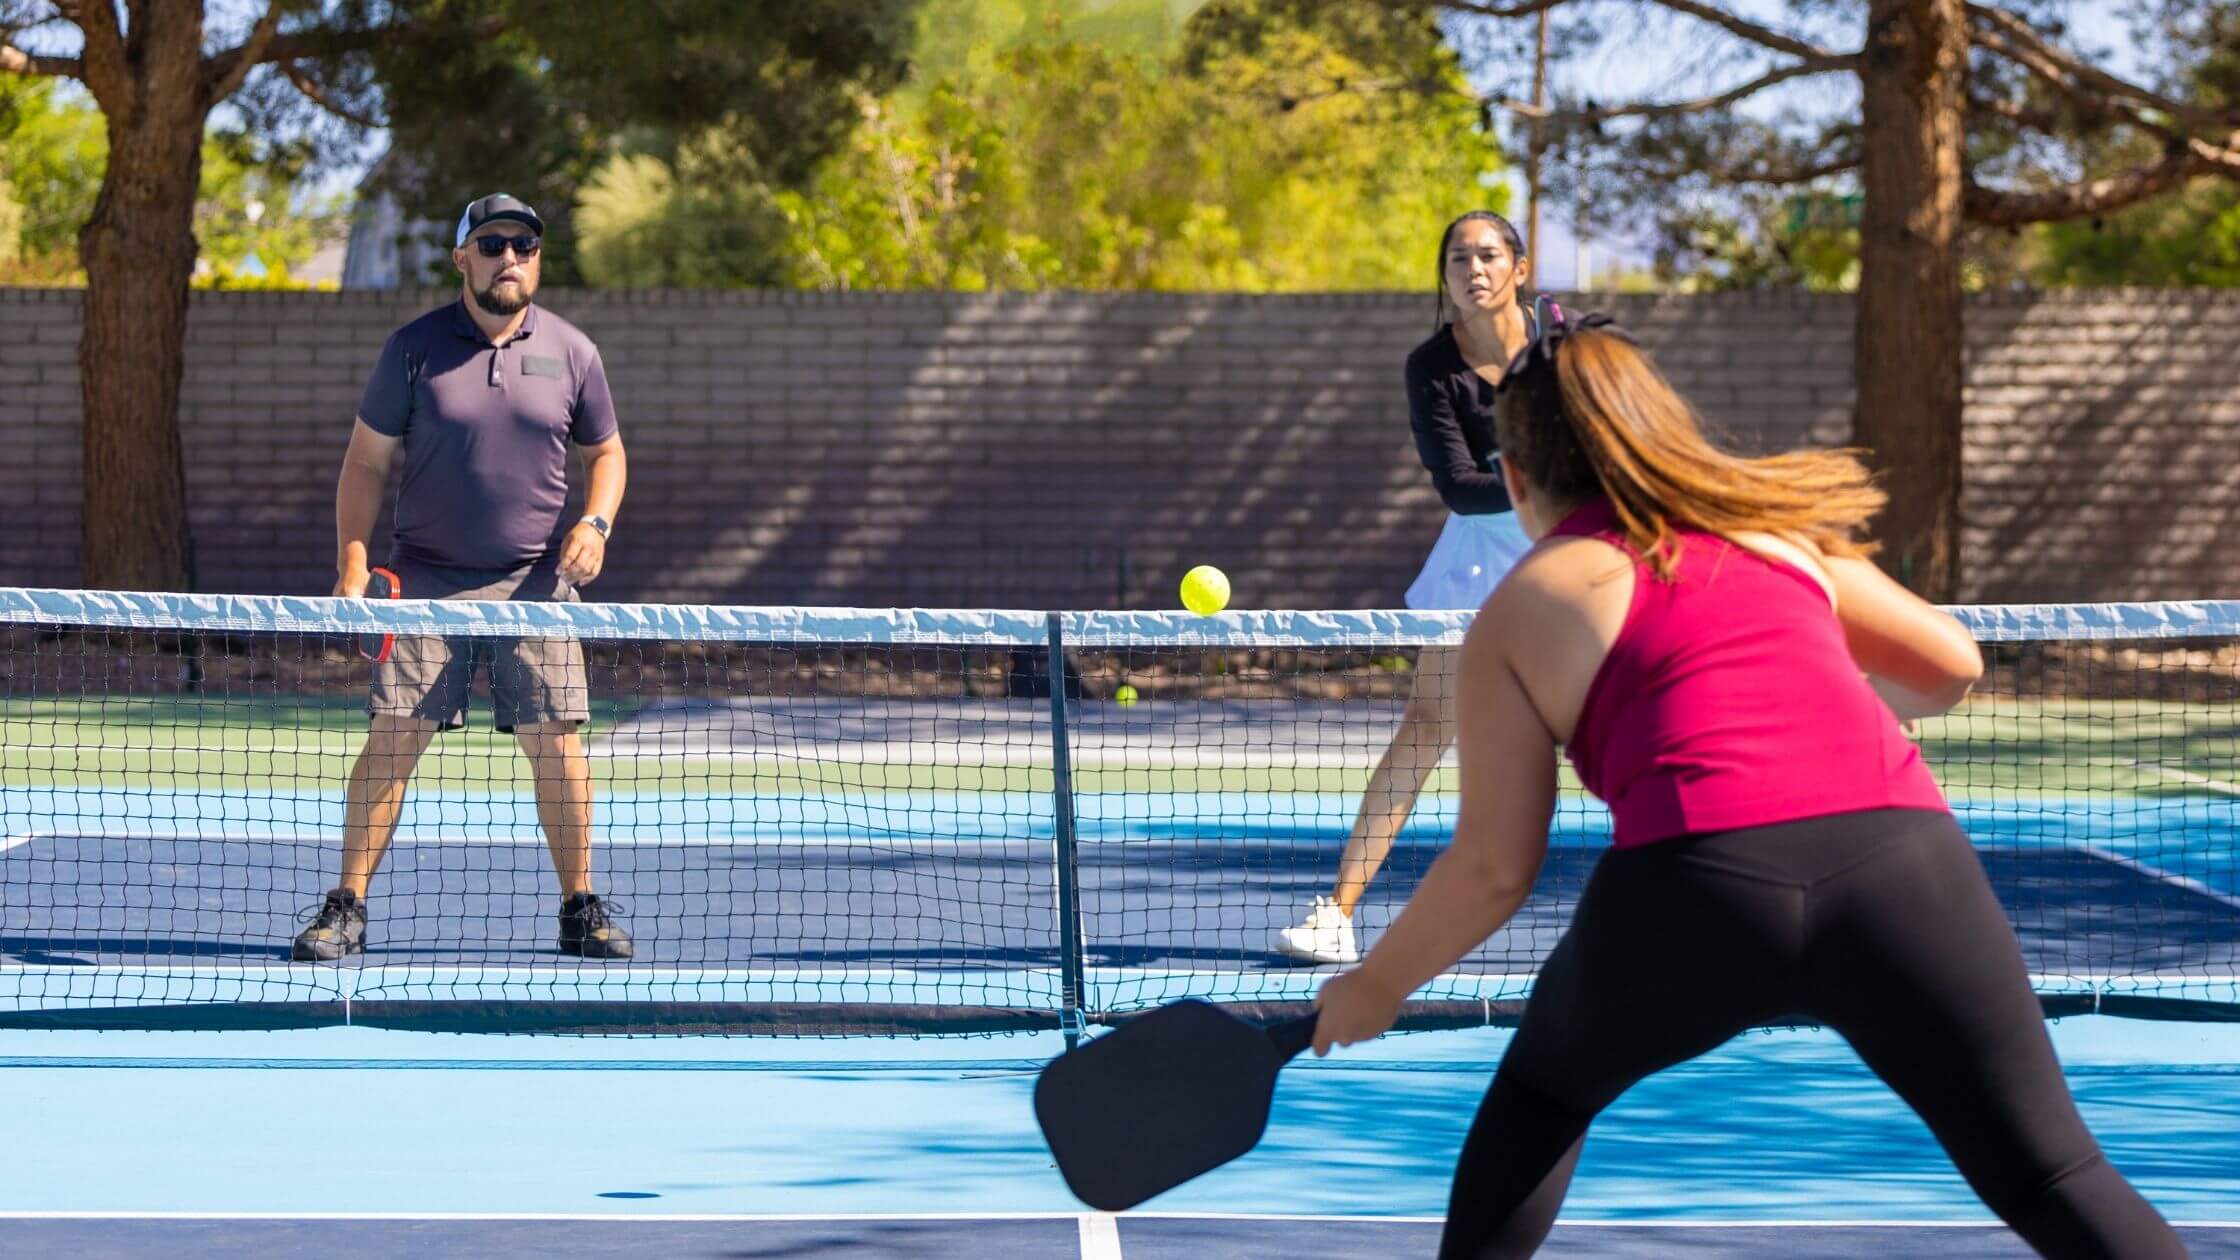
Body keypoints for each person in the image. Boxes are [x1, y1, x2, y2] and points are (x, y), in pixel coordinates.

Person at [1310, 314, 2185, 1258]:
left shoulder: (1521, 606)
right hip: (1904, 865)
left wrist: (1377, 986)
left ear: (1515, 480)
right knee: (2051, 1172)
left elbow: (1494, 868)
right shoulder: (1775, 536)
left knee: (1542, 1098)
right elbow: (1950, 666)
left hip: (1696, 884)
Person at [292, 193, 636, 963]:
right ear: (462, 258)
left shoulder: (573, 352)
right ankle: (346, 905)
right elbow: (365, 462)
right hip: (425, 582)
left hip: (536, 585)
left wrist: (595, 523)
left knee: (559, 744)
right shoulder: (412, 350)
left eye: (524, 245)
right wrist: (352, 561)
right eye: (492, 244)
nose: (509, 257)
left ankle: (581, 908)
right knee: (394, 738)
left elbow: (606, 454)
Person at [1276, 211, 1546, 965]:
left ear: (1518, 268)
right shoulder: (1431, 367)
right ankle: (1336, 913)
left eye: (1488, 255)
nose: (1474, 269)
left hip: (1575, 554)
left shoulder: (1565, 343)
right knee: (1428, 726)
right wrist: (1550, 485)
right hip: (1478, 561)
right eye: (1458, 259)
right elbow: (1459, 487)